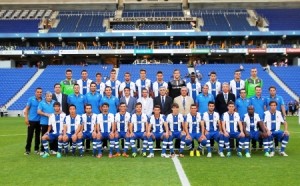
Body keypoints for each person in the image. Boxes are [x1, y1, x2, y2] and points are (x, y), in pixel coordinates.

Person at [24, 87, 43, 155]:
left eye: (40, 92)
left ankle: (36, 149)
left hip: (40, 121)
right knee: (30, 135)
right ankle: (27, 150)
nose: (39, 93)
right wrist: (26, 118)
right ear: (35, 92)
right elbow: (26, 109)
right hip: (31, 120)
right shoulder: (31, 99)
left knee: (38, 136)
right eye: (38, 92)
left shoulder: (43, 100)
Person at [37, 91, 55, 155]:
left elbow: (57, 110)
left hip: (53, 123)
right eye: (48, 96)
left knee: (52, 136)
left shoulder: (54, 102)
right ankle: (42, 150)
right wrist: (46, 114)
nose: (49, 97)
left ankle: (52, 149)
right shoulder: (41, 103)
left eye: (50, 96)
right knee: (43, 136)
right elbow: (38, 111)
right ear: (45, 96)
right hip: (44, 122)